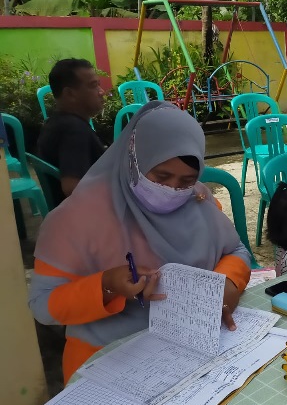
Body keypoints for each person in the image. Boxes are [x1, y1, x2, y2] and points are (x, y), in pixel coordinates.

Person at [28, 101, 252, 383]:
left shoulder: (198, 201)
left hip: (191, 343)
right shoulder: (76, 219)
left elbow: (236, 250)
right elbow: (42, 304)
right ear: (134, 160)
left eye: (186, 180)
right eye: (161, 176)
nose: (173, 190)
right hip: (107, 355)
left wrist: (225, 287)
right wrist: (107, 285)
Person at [38, 58, 107, 204]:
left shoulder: (56, 122)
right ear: (70, 94)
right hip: (91, 219)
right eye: (93, 86)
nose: (101, 92)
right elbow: (72, 188)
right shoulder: (73, 130)